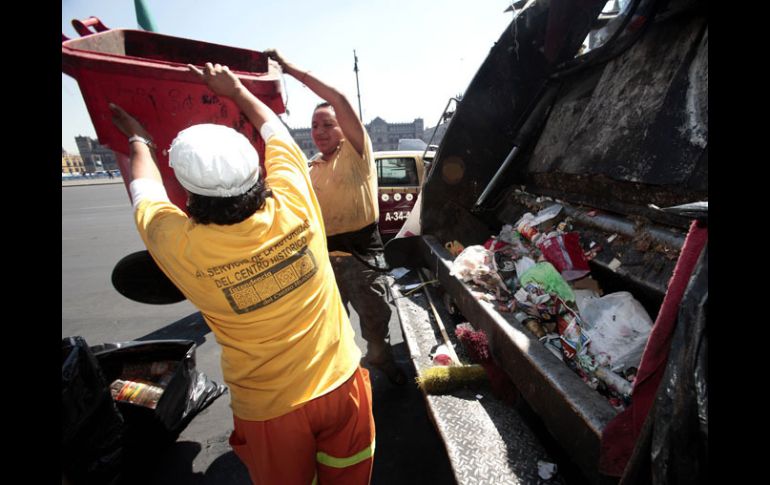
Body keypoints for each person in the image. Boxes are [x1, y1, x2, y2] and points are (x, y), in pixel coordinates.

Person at [109, 62, 375, 485]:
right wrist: (234, 89)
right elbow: (275, 132)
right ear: (256, 170)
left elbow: (145, 191)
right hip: (343, 384)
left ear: (189, 190)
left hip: (272, 410)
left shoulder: (179, 245)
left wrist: (137, 137)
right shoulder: (295, 203)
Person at [265, 49, 407, 386]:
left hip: (361, 260)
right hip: (324, 262)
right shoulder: (311, 167)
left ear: (344, 128)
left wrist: (290, 68)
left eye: (329, 124)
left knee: (375, 326)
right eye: (315, 125)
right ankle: (346, 382)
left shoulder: (356, 153)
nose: (320, 130)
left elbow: (339, 98)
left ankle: (384, 362)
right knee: (331, 330)